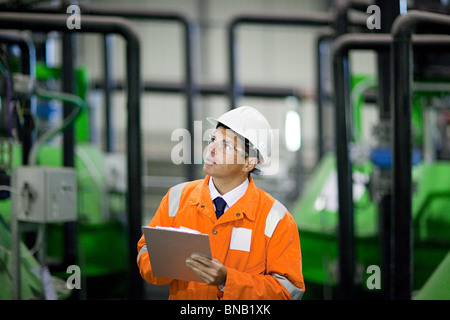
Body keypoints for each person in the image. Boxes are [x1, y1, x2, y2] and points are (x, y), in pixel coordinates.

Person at [137, 106, 305, 300]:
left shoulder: (276, 219)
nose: (212, 149)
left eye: (226, 146)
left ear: (249, 163)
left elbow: (288, 293)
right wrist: (170, 260)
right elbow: (145, 254)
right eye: (213, 139)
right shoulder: (177, 198)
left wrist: (228, 280)